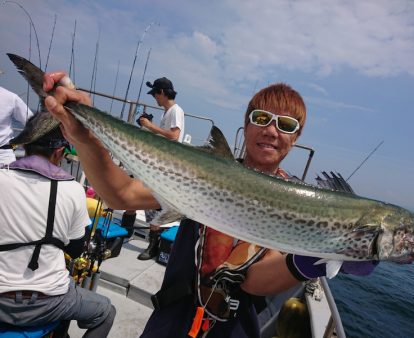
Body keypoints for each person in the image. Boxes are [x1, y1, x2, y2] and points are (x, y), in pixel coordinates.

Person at [42, 74, 376, 337]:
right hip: (171, 320)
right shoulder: (202, 170)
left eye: (286, 125)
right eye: (262, 118)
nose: (272, 130)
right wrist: (84, 137)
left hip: (235, 329)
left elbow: (254, 281)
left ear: (296, 138)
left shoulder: (299, 202)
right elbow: (122, 194)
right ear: (245, 125)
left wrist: (319, 259)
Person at [0, 120, 116, 338]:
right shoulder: (73, 190)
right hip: (50, 303)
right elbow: (75, 250)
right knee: (105, 311)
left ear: (26, 146)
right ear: (59, 152)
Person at [136, 77, 185, 260]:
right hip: (159, 165)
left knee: (156, 206)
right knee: (151, 205)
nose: (154, 98)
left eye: (155, 94)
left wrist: (150, 126)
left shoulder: (175, 111)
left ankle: (153, 247)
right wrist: (148, 128)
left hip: (167, 168)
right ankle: (152, 243)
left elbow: (173, 136)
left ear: (162, 92)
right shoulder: (167, 113)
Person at [0, 86, 34, 165]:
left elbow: (32, 123)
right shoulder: (11, 97)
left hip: (3, 158)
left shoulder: (11, 98)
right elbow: (34, 124)